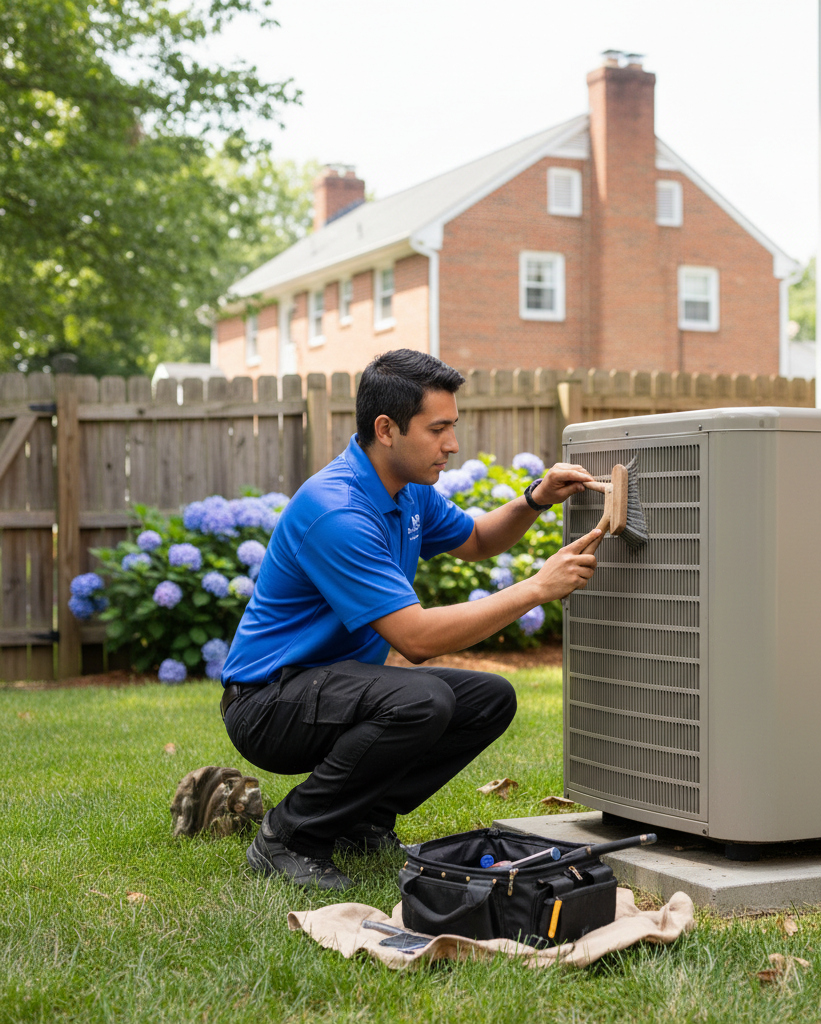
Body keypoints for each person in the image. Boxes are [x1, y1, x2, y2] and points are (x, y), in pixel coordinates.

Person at [219, 348, 602, 889]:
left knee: (489, 700)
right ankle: (291, 835)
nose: (452, 444)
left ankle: (361, 819)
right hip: (266, 702)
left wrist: (535, 498)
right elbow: (416, 640)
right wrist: (538, 588)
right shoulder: (338, 510)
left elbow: (474, 540)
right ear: (387, 428)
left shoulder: (408, 491)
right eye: (438, 428)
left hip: (329, 687)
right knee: (423, 700)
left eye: (453, 427)